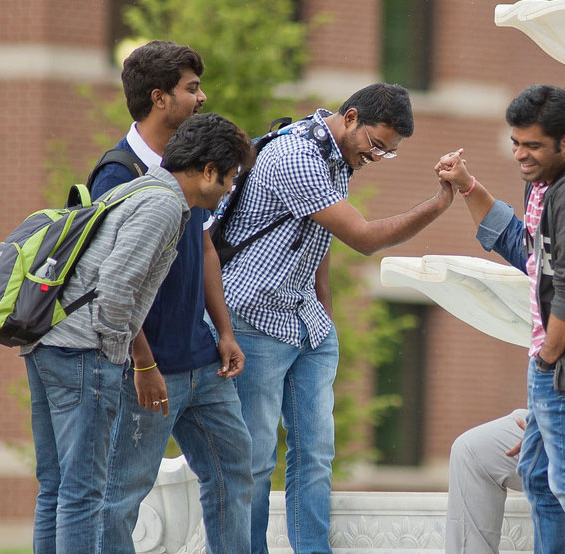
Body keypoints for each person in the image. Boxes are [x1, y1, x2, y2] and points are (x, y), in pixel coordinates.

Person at [216, 82, 459, 554]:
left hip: (305, 322)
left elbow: (316, 236)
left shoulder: (337, 155)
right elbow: (363, 238)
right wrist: (438, 204)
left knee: (316, 453)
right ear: (350, 118)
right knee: (257, 457)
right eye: (376, 145)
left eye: (388, 153)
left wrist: (323, 318)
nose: (376, 157)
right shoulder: (297, 156)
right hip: (254, 319)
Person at [21, 112, 252, 554]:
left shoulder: (149, 190)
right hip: (82, 353)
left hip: (52, 343)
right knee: (85, 493)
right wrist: (131, 364)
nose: (226, 194)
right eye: (227, 181)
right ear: (207, 171)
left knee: (58, 487)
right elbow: (115, 291)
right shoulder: (163, 205)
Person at [433, 83, 565, 554]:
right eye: (515, 143)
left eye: (533, 145)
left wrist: (546, 363)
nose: (521, 155)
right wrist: (469, 186)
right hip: (560, 363)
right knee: (539, 478)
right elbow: (527, 252)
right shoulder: (548, 184)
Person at [86, 41, 254, 554]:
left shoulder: (193, 163)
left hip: (202, 361)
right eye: (191, 88)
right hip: (147, 373)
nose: (201, 97)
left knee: (234, 474)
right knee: (120, 498)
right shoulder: (117, 173)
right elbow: (110, 284)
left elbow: (202, 244)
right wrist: (142, 363)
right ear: (160, 98)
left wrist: (222, 330)